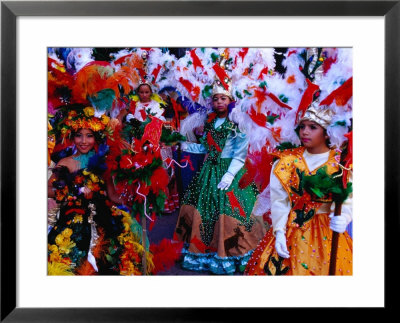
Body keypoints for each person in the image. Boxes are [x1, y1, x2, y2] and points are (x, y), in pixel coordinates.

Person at [245, 103, 353, 275]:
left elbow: (349, 197)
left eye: (312, 127)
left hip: (327, 232)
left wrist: (345, 215)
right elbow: (280, 200)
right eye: (302, 126)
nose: (305, 131)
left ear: (327, 132)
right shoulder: (287, 161)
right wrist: (279, 231)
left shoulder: (341, 163)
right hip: (290, 231)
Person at [173, 79, 266, 275]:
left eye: (223, 98)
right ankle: (206, 249)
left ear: (230, 99)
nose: (219, 102)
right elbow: (205, 148)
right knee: (204, 210)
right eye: (215, 99)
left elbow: (240, 152)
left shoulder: (237, 122)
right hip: (209, 170)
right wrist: (182, 145)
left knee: (232, 209)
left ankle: (232, 251)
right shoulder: (211, 121)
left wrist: (230, 174)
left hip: (231, 170)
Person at [47, 106, 144, 275]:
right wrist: (71, 191)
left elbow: (113, 195)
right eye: (79, 135)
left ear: (97, 137)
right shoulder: (66, 162)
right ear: (72, 137)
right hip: (73, 224)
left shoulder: (103, 162)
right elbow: (48, 189)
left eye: (89, 136)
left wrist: (136, 195)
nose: (84, 141)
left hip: (104, 221)